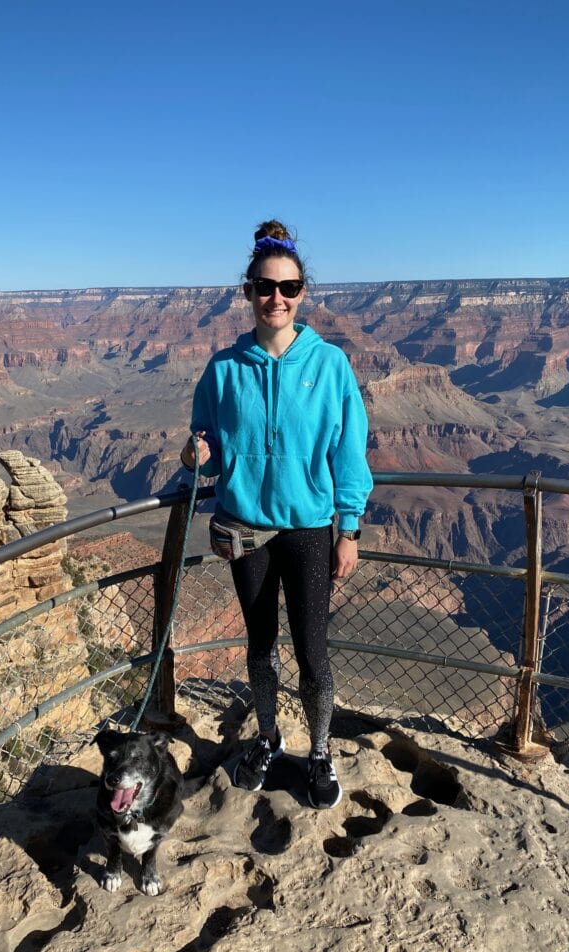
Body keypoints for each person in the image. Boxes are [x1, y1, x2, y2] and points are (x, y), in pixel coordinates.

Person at [180, 220, 373, 809]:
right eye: (266, 287)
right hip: (245, 528)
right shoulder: (223, 369)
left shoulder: (330, 364)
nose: (277, 299)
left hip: (310, 529)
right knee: (260, 647)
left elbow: (348, 451)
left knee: (313, 649)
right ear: (248, 292)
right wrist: (196, 456)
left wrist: (350, 528)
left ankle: (319, 752)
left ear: (302, 292)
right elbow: (203, 452)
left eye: (288, 288)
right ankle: (268, 737)